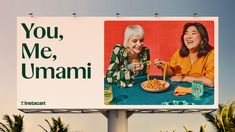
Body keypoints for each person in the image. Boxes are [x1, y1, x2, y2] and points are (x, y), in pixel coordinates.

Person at [154, 22, 214, 94]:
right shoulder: (179, 53)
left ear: (203, 39)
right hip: (176, 90)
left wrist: (184, 78)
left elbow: (210, 82)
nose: (188, 37)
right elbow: (171, 72)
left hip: (200, 93)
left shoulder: (212, 54)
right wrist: (164, 67)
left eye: (193, 33)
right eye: (186, 33)